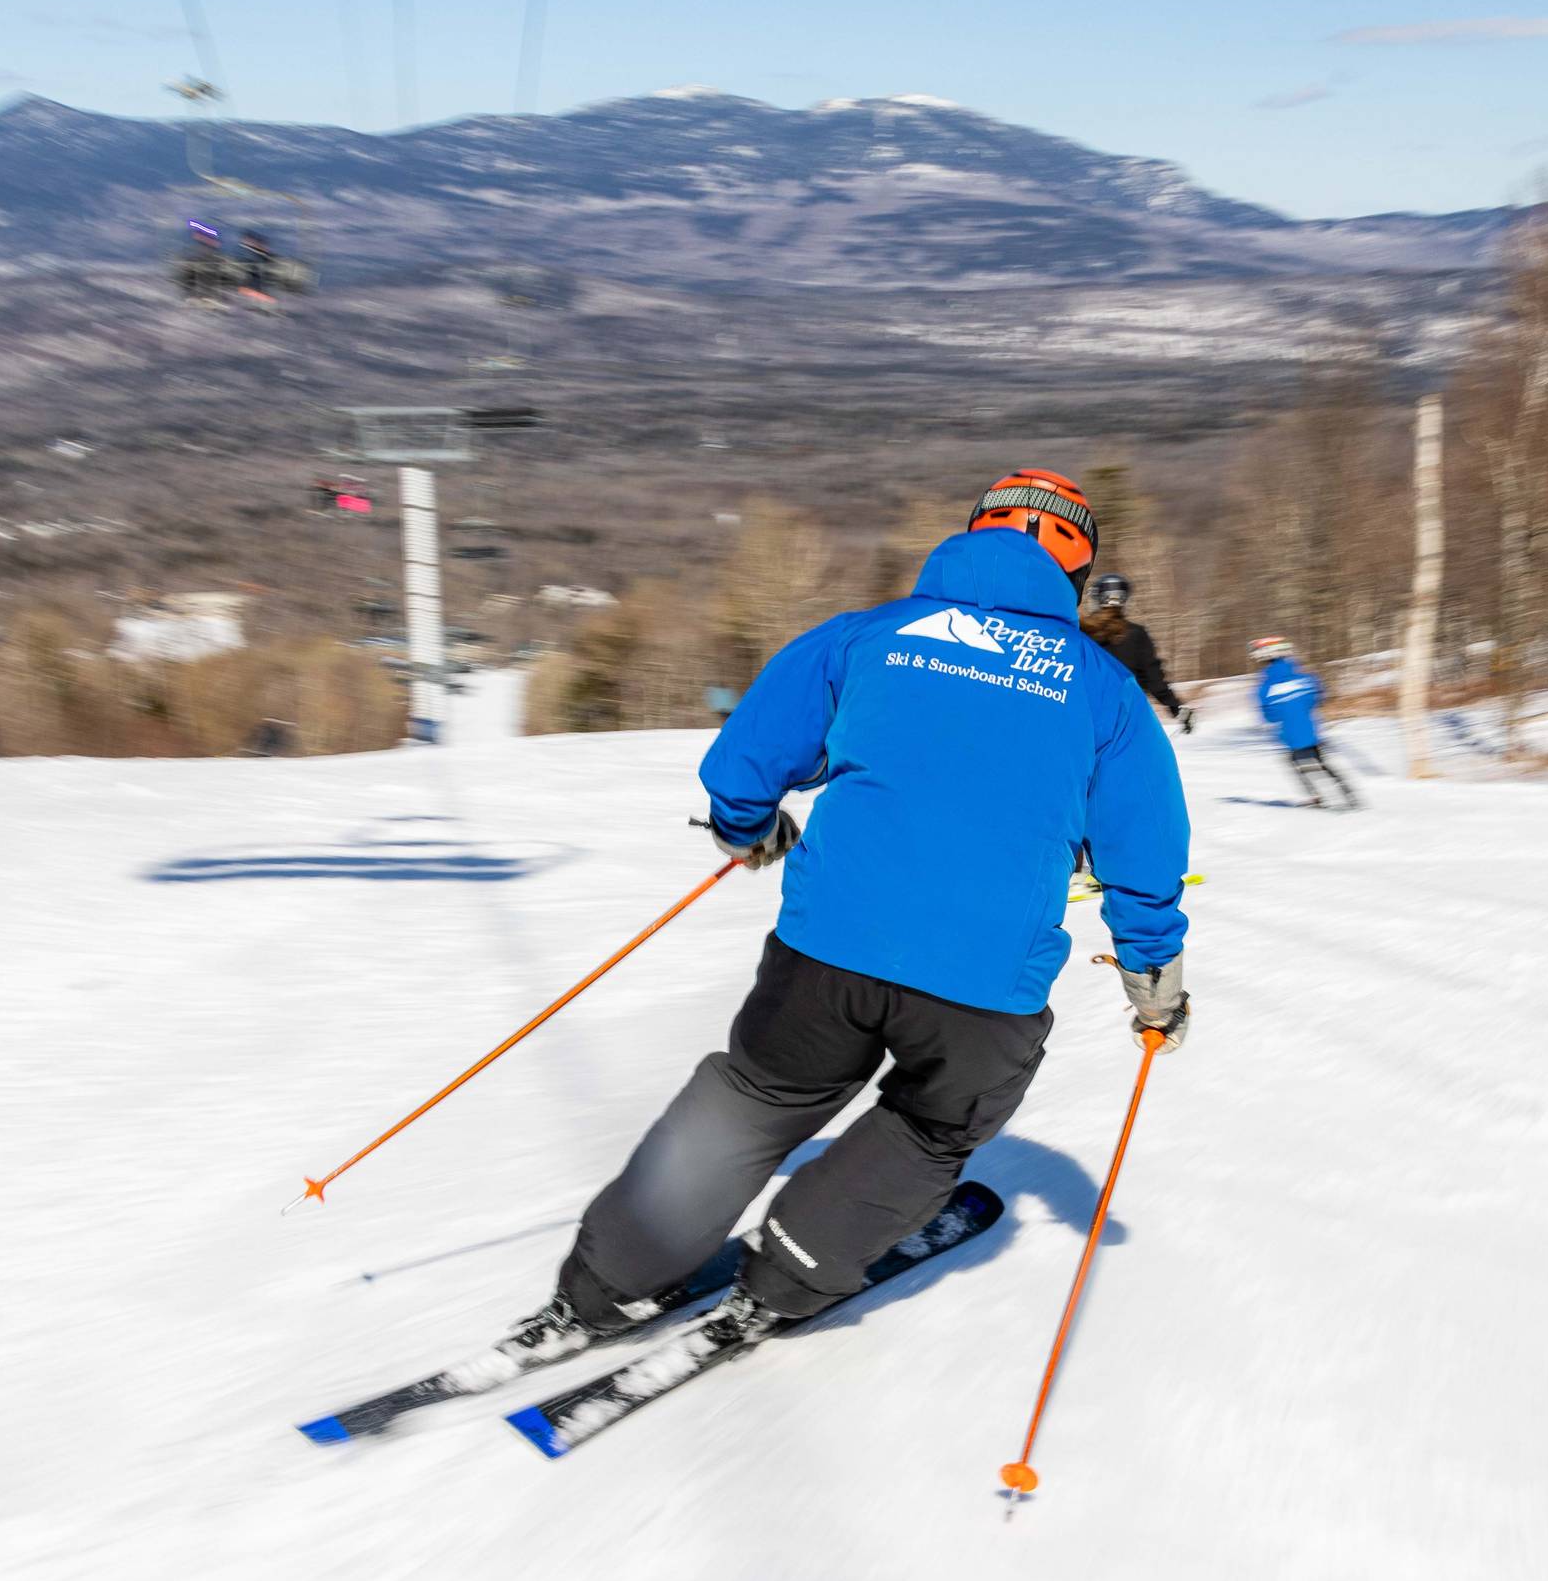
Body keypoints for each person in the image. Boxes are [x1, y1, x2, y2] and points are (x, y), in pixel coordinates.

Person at [491, 469, 1193, 1370]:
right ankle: (788, 1275)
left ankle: (604, 1282)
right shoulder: (1103, 689)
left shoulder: (867, 637)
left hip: (825, 953)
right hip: (983, 984)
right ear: (1078, 574)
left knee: (756, 1097)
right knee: (933, 1127)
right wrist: (1154, 988)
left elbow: (745, 761)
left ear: (971, 535)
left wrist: (750, 830)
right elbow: (1144, 852)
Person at [1251, 636, 1359, 809]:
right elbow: (1318, 698)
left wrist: (1285, 710)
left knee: (1297, 763)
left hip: (1291, 734)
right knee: (1321, 763)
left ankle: (1318, 798)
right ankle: (1348, 795)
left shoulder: (1265, 687)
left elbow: (1270, 717)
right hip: (1312, 730)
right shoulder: (1307, 678)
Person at [1083, 575, 1194, 733]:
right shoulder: (1137, 634)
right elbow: (1154, 680)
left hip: (1085, 718)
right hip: (1126, 719)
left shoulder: (1079, 635)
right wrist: (1177, 708)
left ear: (1095, 599)